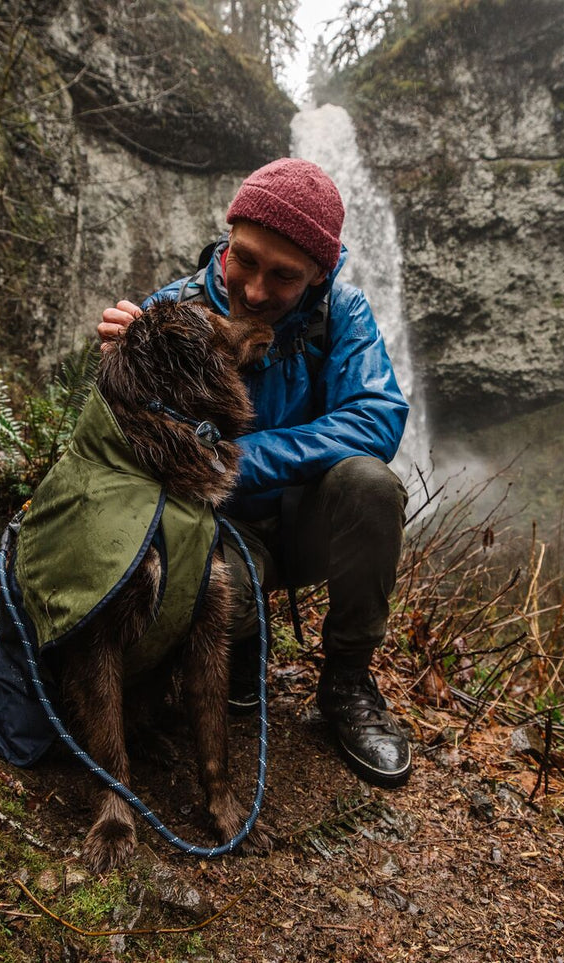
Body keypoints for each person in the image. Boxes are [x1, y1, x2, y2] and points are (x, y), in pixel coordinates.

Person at [97, 158, 413, 787]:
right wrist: (122, 368)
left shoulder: (343, 316)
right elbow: (127, 449)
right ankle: (243, 648)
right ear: (229, 231)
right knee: (221, 603)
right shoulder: (171, 311)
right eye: (244, 260)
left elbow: (378, 416)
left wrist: (238, 459)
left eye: (285, 275)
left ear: (322, 272)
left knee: (372, 487)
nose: (259, 291)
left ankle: (347, 681)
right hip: (207, 534)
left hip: (302, 525)